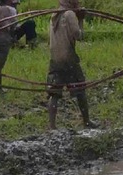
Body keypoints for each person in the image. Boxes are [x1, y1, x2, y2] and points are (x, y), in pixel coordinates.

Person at [47, 0, 96, 130]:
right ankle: (86, 121)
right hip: (68, 59)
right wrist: (81, 20)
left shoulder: (54, 14)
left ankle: (52, 126)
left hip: (55, 59)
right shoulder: (69, 14)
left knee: (54, 93)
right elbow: (78, 35)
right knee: (80, 89)